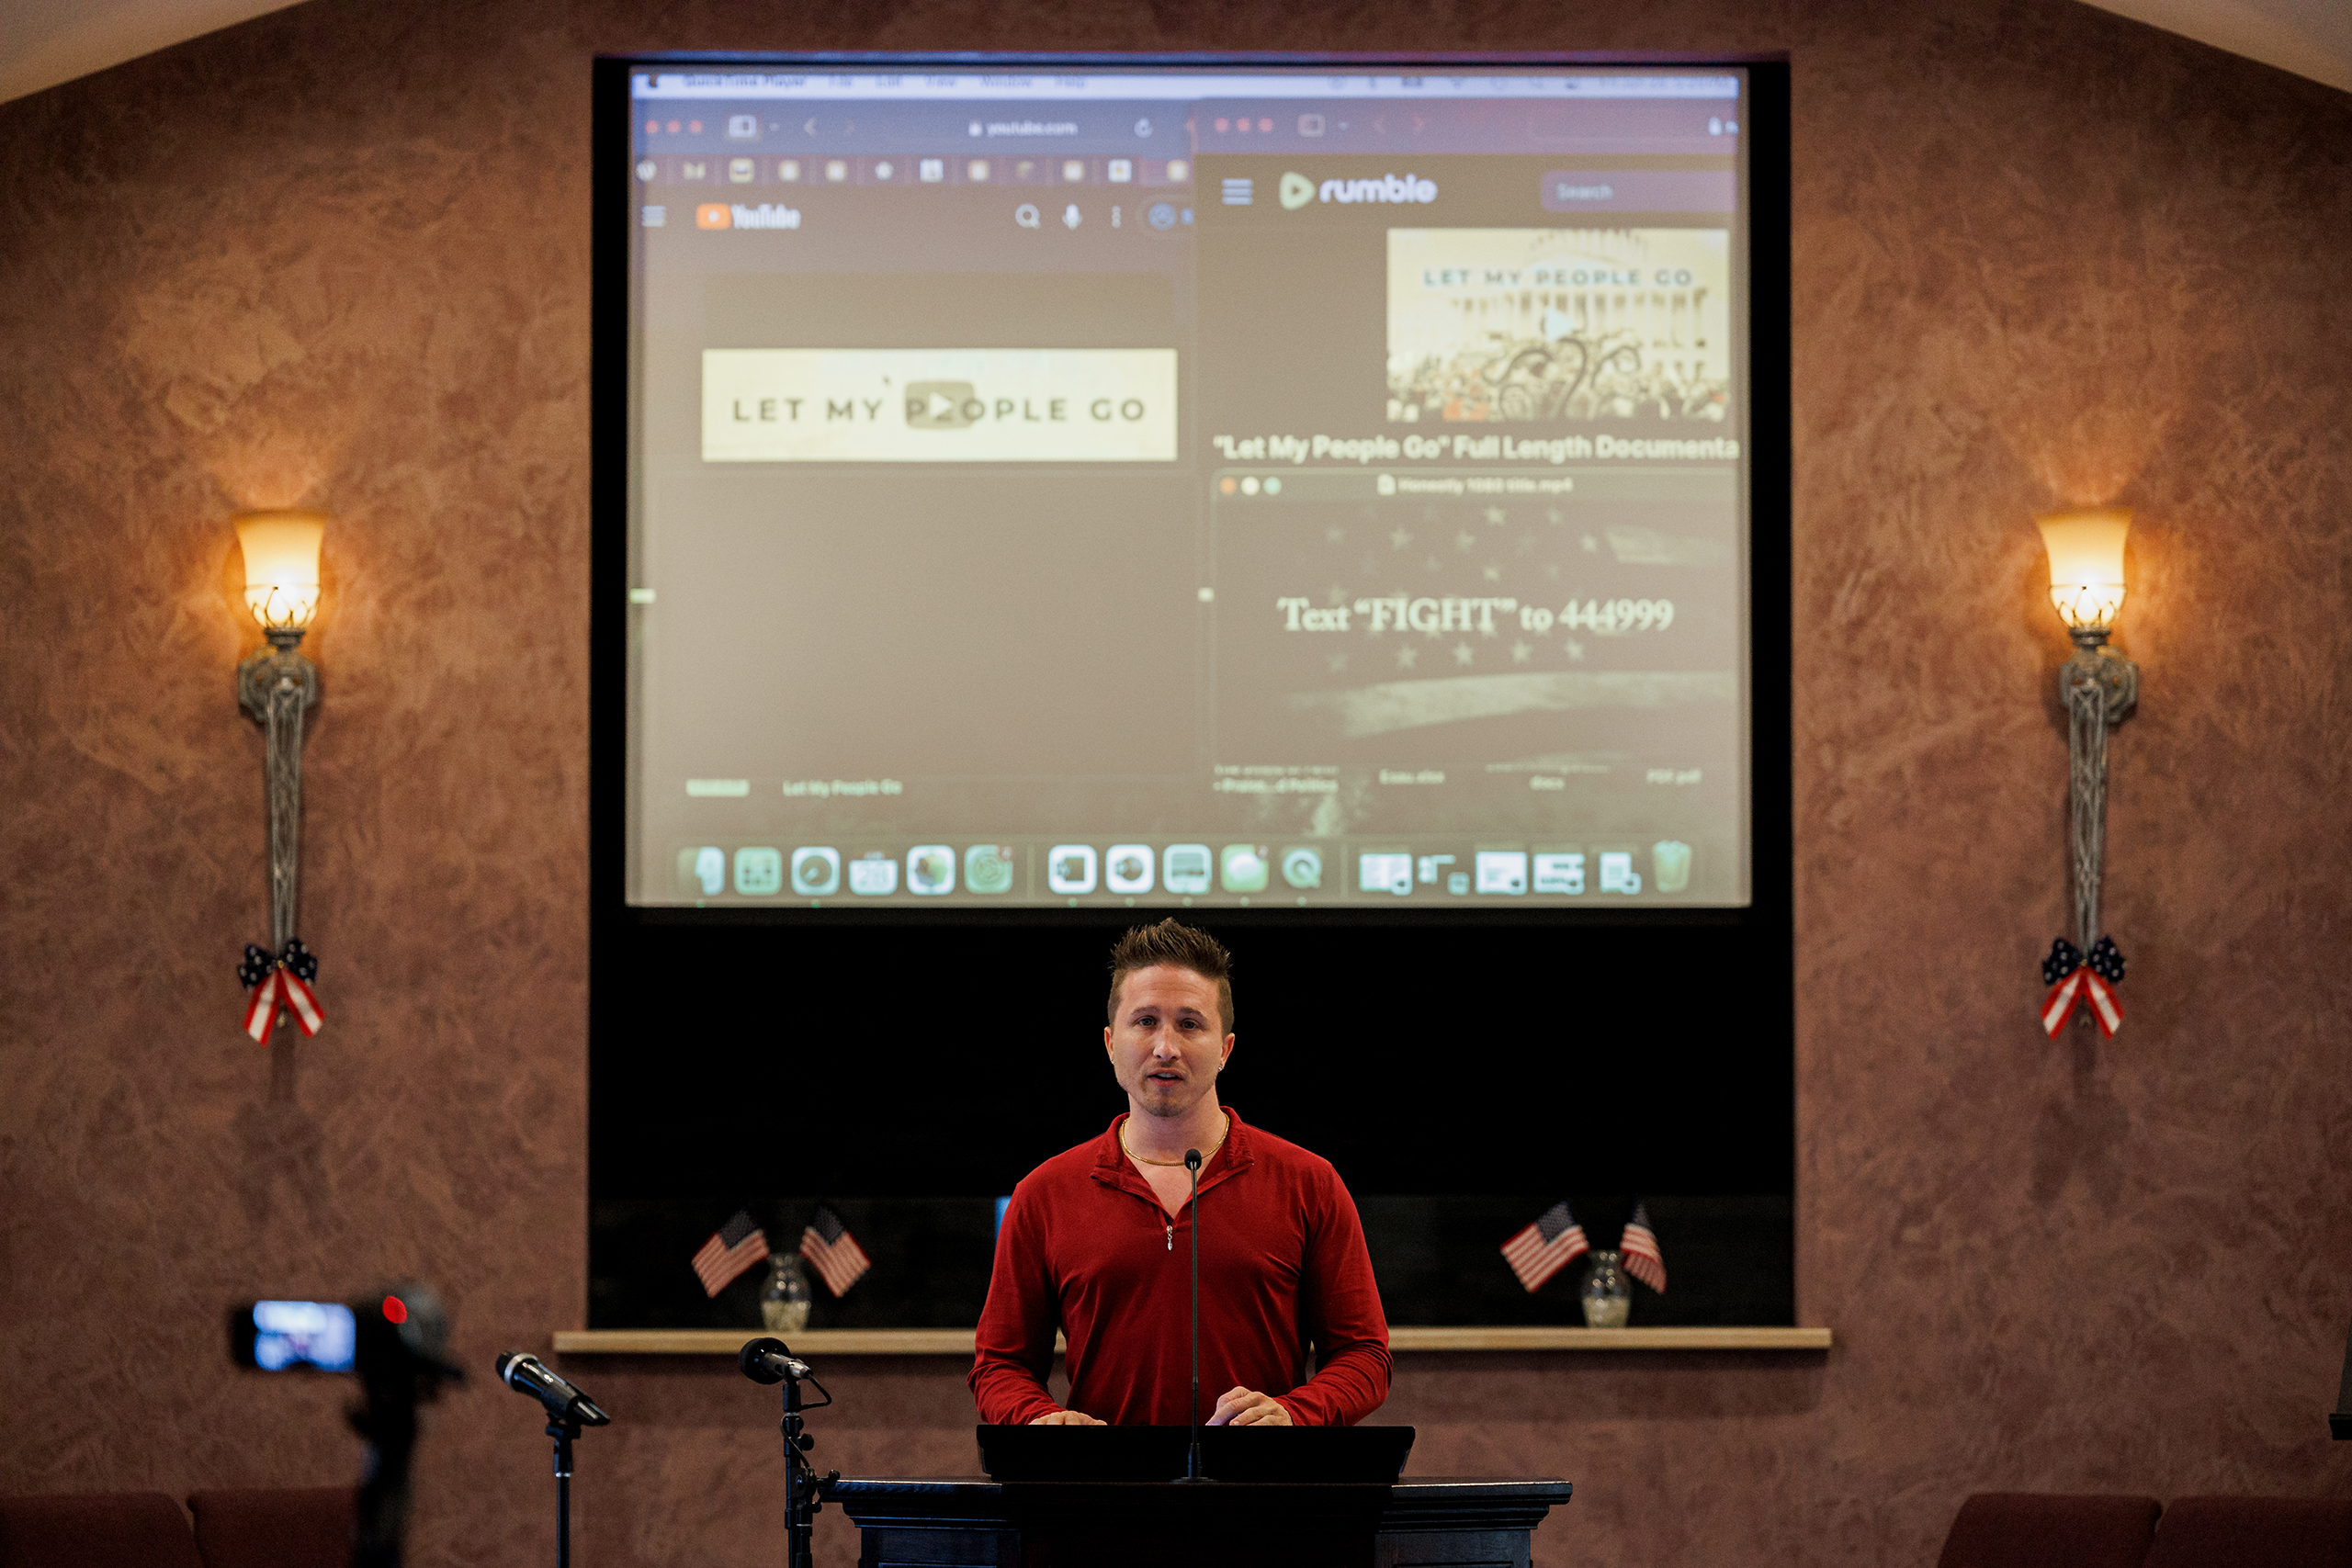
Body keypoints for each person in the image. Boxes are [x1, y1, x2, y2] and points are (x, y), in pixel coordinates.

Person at [969, 919, 1390, 1427]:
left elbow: (1364, 1356)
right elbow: (1000, 1365)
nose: (1165, 1046)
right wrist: (1036, 1420)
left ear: (1225, 1049)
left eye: (1190, 1024)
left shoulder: (1310, 1182)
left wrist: (1294, 1415)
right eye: (1145, 1021)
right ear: (1109, 1043)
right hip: (1102, 1497)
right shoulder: (1043, 1194)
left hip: (1263, 1497)